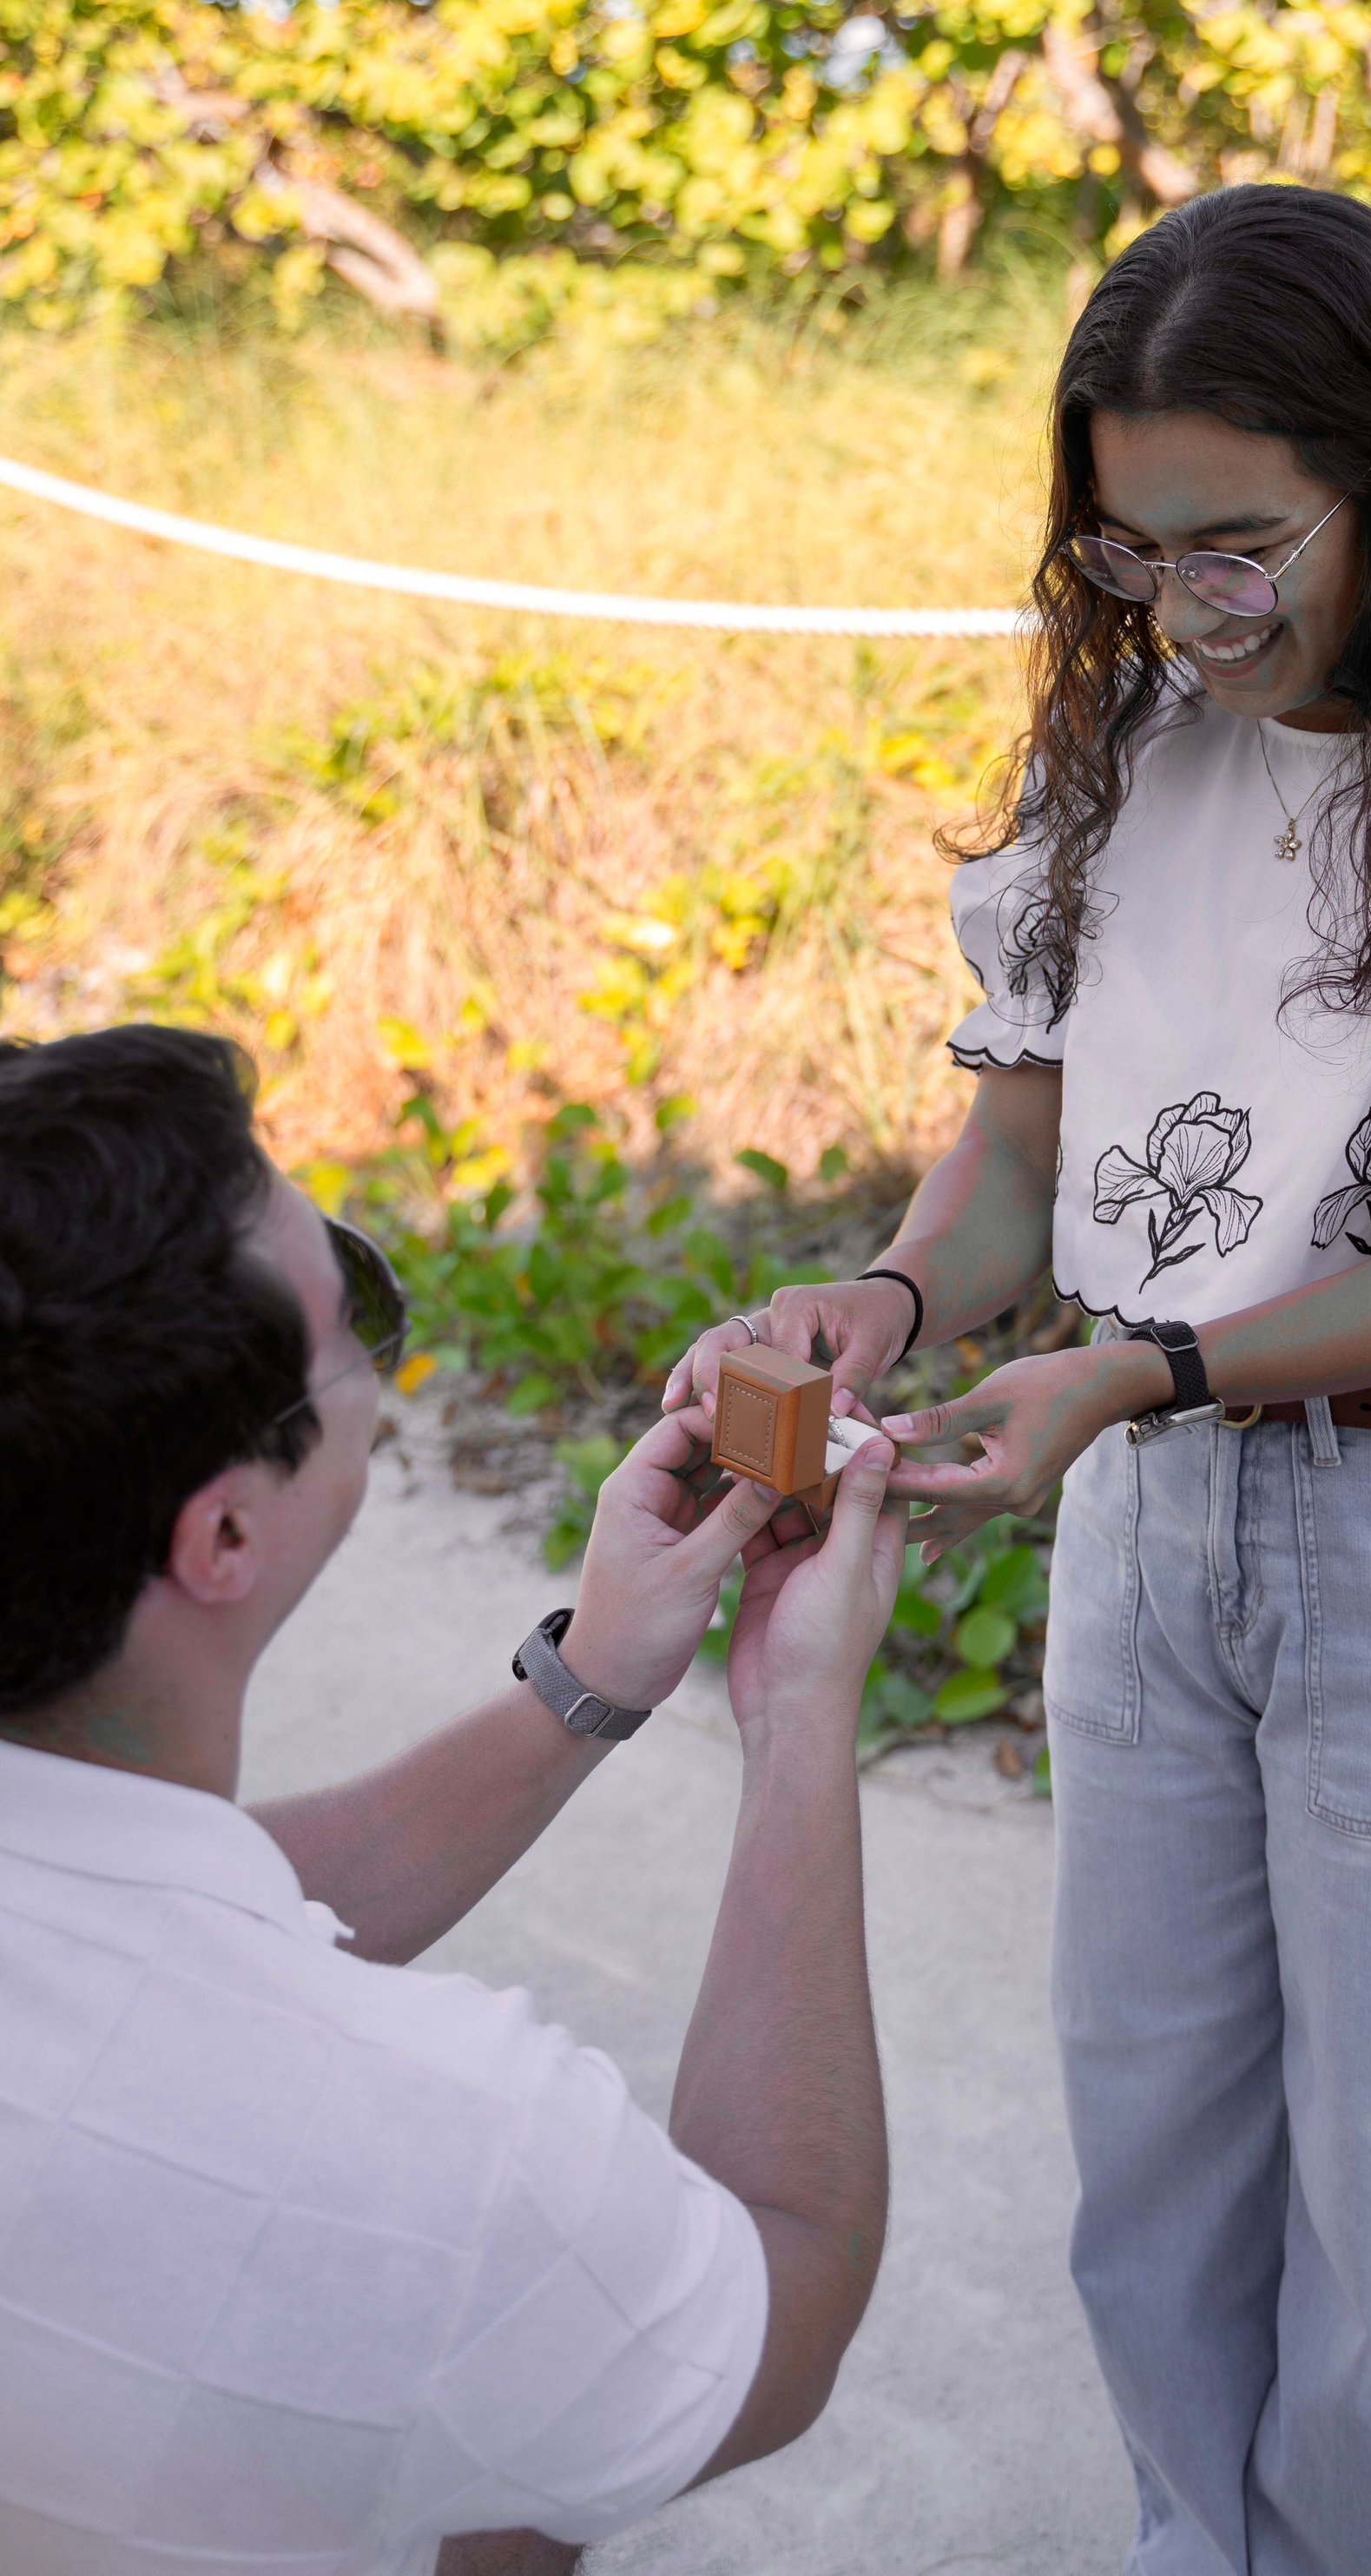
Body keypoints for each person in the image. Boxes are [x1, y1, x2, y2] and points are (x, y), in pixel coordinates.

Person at [668, 186, 1371, 2576]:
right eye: (1136, 549)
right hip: (1148, 1523)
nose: (1194, 605)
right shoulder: (1138, 757)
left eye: (1247, 537)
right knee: (1155, 2150)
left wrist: (1135, 1367)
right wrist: (890, 1298)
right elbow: (1020, 1144)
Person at [0, 1020, 904, 2576]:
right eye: (360, 1316)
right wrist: (802, 1709)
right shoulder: (449, 2154)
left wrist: (597, 1673)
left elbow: (207, 1908)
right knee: (521, 2498)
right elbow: (787, 2291)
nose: (373, 1339)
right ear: (223, 1535)